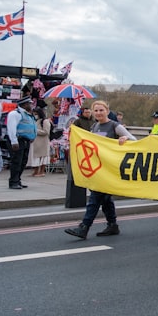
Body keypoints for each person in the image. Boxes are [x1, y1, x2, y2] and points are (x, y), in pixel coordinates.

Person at [64, 101, 136, 239]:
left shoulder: (115, 126)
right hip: (98, 168)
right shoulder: (94, 126)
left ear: (107, 111)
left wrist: (125, 138)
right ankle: (112, 225)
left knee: (95, 197)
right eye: (95, 111)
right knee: (105, 199)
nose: (98, 113)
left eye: (101, 110)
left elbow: (134, 140)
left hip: (110, 169)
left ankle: (84, 227)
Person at [6, 96, 37, 190]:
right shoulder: (15, 114)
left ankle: (17, 180)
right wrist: (14, 141)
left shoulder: (28, 115)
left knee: (23, 162)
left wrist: (32, 137)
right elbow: (11, 128)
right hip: (17, 140)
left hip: (25, 141)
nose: (31, 105)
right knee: (16, 161)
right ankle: (13, 182)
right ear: (24, 104)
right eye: (29, 103)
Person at [28, 106, 52, 177]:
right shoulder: (36, 121)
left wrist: (35, 131)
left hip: (43, 143)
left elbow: (46, 131)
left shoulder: (45, 121)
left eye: (36, 114)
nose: (35, 115)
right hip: (36, 143)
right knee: (35, 158)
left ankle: (41, 171)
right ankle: (35, 171)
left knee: (43, 157)